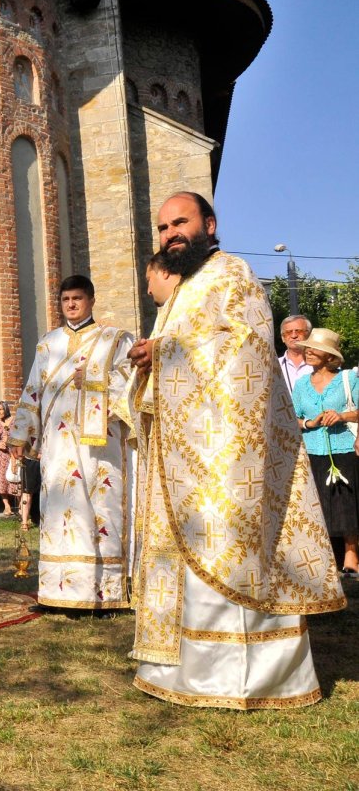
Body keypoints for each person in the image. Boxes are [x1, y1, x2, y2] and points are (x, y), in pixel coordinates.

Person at [123, 191, 344, 708]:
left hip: (230, 451)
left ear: (210, 224)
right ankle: (181, 675)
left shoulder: (232, 273)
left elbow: (245, 343)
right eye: (162, 228)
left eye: (180, 223)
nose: (170, 234)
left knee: (234, 548)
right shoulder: (182, 290)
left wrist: (166, 349)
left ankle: (242, 680)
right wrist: (151, 361)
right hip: (184, 450)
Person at [8, 274, 135, 613]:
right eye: (66, 300)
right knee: (58, 512)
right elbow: (33, 390)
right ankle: (58, 593)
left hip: (98, 449)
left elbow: (134, 383)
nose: (72, 305)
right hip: (57, 446)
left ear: (91, 300)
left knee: (98, 511)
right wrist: (20, 434)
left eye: (78, 298)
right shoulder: (48, 344)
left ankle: (101, 595)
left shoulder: (114, 340)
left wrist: (97, 380)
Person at [290, 328, 359, 575]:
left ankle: (352, 556)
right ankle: (327, 555)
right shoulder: (300, 385)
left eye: (314, 348)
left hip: (344, 449)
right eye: (307, 348)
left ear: (330, 356)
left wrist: (342, 416)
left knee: (346, 501)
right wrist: (310, 423)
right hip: (312, 451)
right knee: (319, 503)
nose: (308, 351)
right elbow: (292, 417)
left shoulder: (348, 380)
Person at [0, 401, 19, 516]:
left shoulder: (15, 421)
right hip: (1, 456)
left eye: (0, 409)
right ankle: (7, 506)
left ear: (6, 409)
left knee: (17, 479)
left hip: (15, 454)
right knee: (2, 479)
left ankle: (20, 506)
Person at [277, 315, 314, 396]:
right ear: (283, 338)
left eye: (298, 331)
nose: (294, 336)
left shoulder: (322, 366)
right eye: (288, 332)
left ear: (308, 335)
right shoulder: (274, 366)